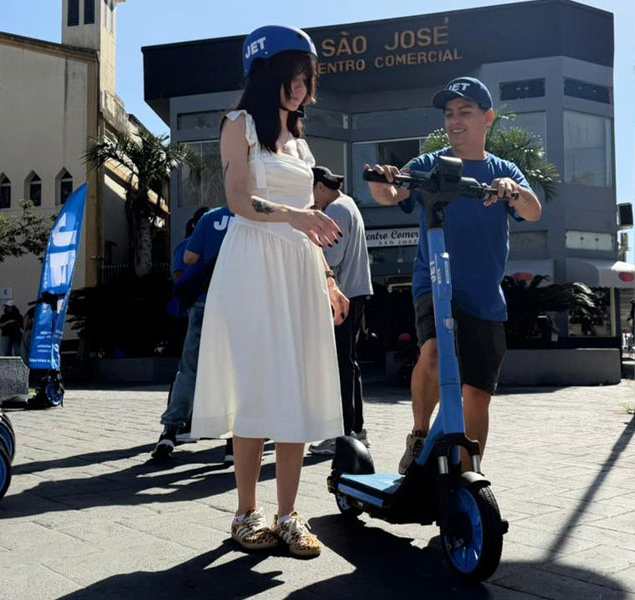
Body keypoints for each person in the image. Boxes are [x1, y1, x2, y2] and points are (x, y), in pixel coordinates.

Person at [190, 25, 348, 559]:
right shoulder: (238, 126)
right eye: (293, 75)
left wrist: (328, 279)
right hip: (253, 263)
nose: (302, 87)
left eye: (308, 77)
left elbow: (307, 225)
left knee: (297, 390)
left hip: (298, 268)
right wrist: (296, 217)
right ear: (265, 73)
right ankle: (245, 513)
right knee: (256, 387)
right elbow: (238, 200)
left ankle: (287, 515)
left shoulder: (300, 142)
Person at [367, 76, 542, 475]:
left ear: (487, 119)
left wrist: (512, 190)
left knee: (477, 395)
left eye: (465, 112)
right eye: (449, 114)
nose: (455, 120)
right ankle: (418, 435)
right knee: (432, 352)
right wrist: (383, 182)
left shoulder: (504, 170)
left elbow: (533, 210)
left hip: (484, 296)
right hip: (435, 283)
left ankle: (467, 475)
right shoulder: (430, 165)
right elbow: (391, 194)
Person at [152, 205, 234, 460]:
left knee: (189, 369)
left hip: (204, 299)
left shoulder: (211, 218)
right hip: (239, 302)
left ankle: (169, 432)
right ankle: (235, 442)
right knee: (236, 373)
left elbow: (189, 258)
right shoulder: (253, 215)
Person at [308, 166, 373, 456]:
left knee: (341, 365)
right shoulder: (349, 205)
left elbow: (331, 256)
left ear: (320, 186)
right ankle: (355, 429)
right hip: (356, 292)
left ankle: (342, 434)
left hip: (343, 295)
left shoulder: (335, 210)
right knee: (349, 362)